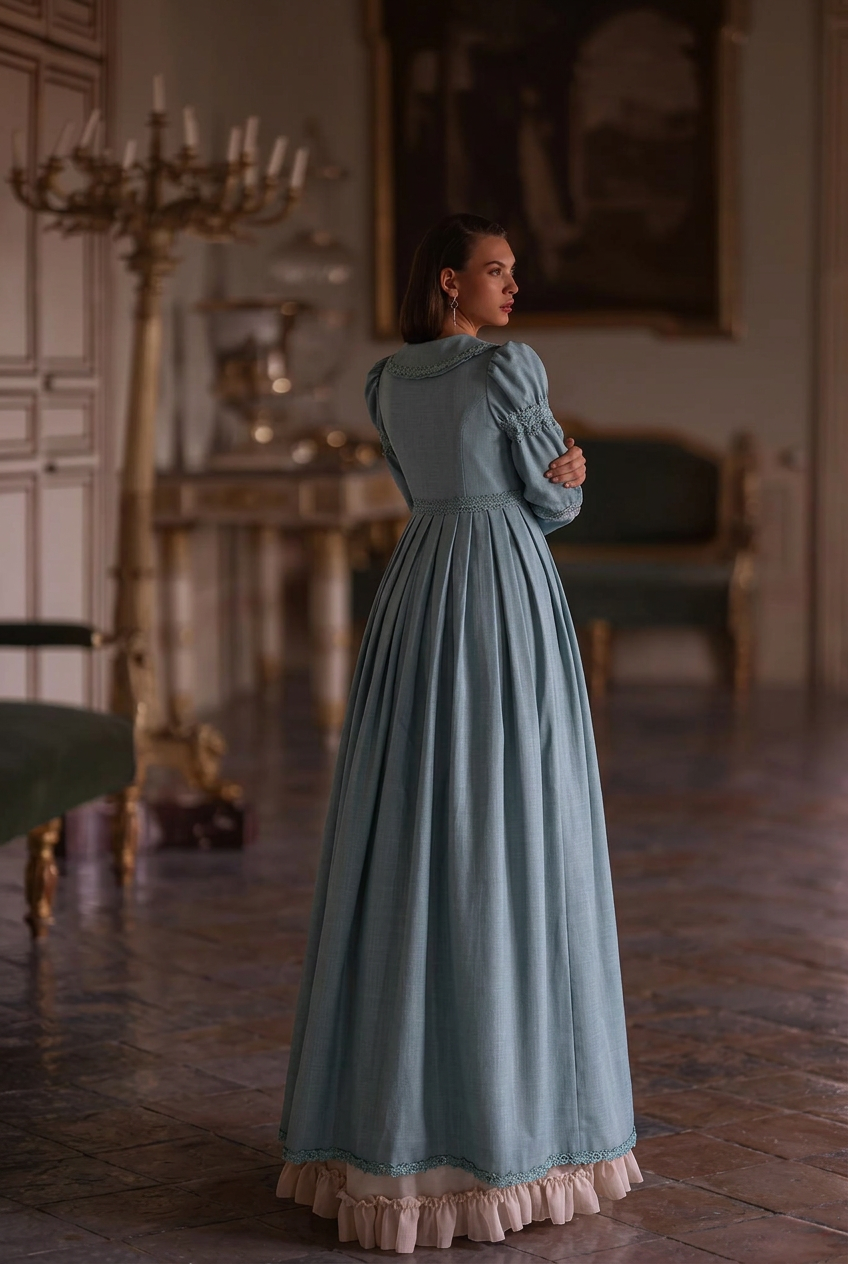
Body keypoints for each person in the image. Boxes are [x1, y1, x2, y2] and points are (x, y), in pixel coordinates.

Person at [276, 213, 640, 1252]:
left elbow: (420, 486)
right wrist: (566, 476)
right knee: (514, 827)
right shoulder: (504, 369)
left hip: (419, 592)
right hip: (501, 595)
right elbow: (547, 502)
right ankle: (515, 1134)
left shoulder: (385, 383)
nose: (511, 287)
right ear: (449, 281)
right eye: (495, 269)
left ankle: (388, 1135)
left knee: (410, 827)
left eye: (512, 272)